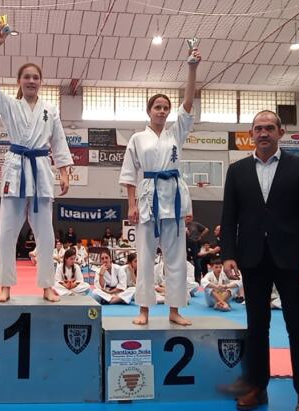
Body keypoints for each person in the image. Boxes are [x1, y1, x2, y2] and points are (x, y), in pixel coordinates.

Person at [220, 110, 299, 411]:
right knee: (257, 326)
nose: (263, 133)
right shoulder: (237, 170)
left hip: (291, 259)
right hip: (253, 258)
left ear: (280, 132)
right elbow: (229, 217)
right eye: (258, 128)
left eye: (269, 128)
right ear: (251, 134)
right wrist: (228, 254)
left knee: (298, 327)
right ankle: (257, 387)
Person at [0, 23, 72, 303]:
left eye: (36, 77)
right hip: (16, 168)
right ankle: (5, 286)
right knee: (7, 231)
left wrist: (64, 172)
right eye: (27, 77)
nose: (31, 81)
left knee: (46, 234)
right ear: (19, 81)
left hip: (41, 169)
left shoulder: (50, 110)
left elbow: (59, 142)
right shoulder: (9, 105)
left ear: (41, 82)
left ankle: (47, 286)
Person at [118, 46, 201, 326]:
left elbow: (187, 104)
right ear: (149, 110)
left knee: (176, 259)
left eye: (166, 107)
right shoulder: (137, 139)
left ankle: (174, 310)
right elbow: (129, 174)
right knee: (144, 258)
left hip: (174, 199)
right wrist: (131, 205)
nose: (162, 111)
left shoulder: (176, 132)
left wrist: (192, 68)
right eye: (158, 107)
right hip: (147, 200)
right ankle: (143, 309)